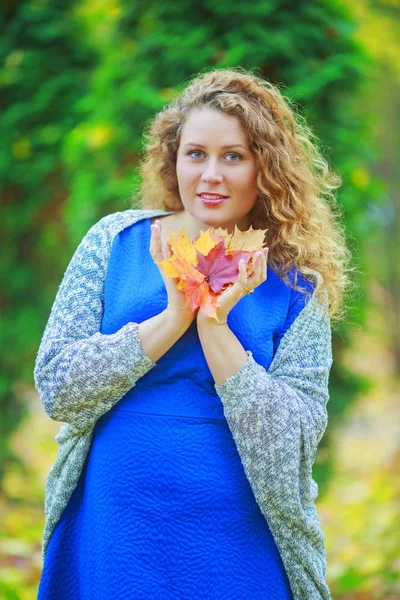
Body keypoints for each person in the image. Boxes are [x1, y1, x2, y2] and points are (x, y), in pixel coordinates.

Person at [34, 68, 352, 600]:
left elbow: (289, 445)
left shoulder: (298, 289)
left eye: (234, 156)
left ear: (265, 169)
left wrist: (213, 324)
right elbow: (58, 387)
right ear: (173, 159)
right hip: (117, 528)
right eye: (195, 154)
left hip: (236, 540)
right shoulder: (113, 243)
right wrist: (171, 318)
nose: (211, 174)